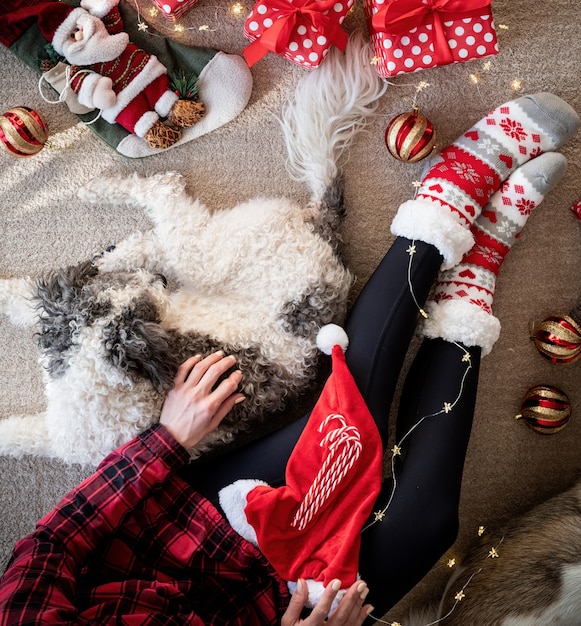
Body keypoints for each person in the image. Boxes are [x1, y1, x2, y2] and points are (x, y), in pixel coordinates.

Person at [0, 93, 577, 625]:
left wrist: (168, 440)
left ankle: (444, 202)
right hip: (286, 609)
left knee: (353, 416)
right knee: (428, 526)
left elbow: (52, 547)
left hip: (196, 536)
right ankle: (476, 271)